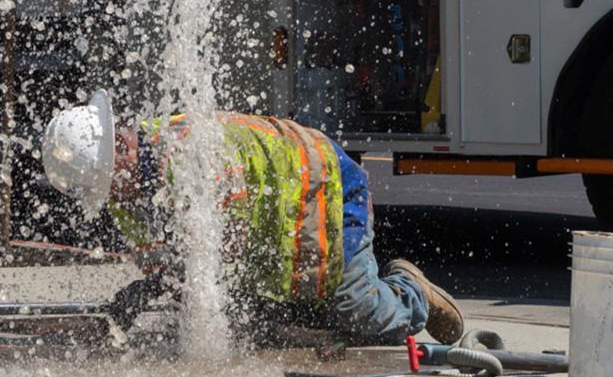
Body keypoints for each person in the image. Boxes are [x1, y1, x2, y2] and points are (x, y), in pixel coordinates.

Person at [41, 91, 463, 345]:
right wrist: (147, 286)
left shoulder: (192, 158)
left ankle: (411, 292)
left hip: (324, 185)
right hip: (282, 212)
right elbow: (174, 265)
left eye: (108, 182)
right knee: (279, 316)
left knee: (358, 311)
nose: (111, 194)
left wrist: (176, 286)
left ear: (123, 152)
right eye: (102, 190)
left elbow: (228, 246)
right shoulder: (127, 195)